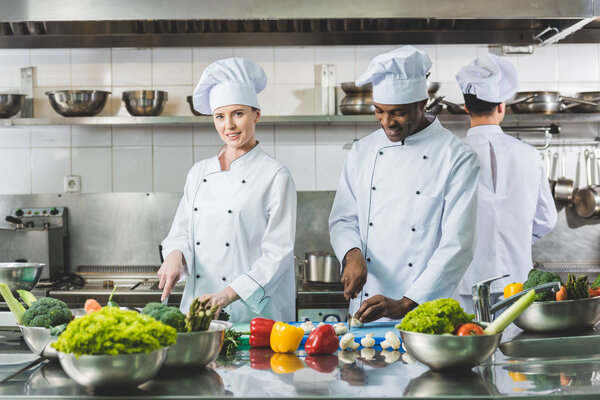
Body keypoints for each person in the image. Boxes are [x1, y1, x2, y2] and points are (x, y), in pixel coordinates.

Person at [329, 46, 480, 323]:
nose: (387, 123)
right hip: (365, 311)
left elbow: (457, 245)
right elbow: (343, 219)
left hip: (425, 310)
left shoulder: (456, 157)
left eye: (397, 113)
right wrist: (352, 254)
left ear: (422, 104)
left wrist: (406, 303)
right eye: (379, 112)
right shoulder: (363, 151)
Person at [157, 58, 297, 322]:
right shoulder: (199, 172)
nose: (228, 126)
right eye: (220, 116)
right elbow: (181, 231)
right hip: (199, 307)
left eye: (238, 114)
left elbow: (278, 255)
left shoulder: (275, 175)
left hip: (252, 313)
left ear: (256, 114)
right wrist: (175, 255)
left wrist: (227, 295)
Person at [454, 54, 557, 309]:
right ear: (501, 107)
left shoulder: (450, 155)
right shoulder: (529, 154)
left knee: (470, 343)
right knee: (513, 346)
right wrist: (516, 237)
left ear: (466, 107)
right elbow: (547, 220)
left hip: (465, 283)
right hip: (517, 284)